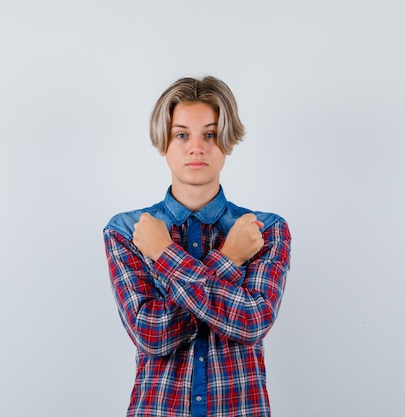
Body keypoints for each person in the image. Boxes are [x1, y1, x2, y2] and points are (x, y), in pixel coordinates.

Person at [103, 76, 292, 417]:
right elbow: (151, 335)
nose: (196, 147)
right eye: (181, 134)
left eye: (209, 134)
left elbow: (252, 322)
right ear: (164, 142)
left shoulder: (264, 230)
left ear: (228, 140)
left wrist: (163, 254)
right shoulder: (128, 231)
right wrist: (230, 260)